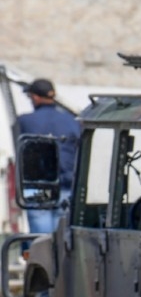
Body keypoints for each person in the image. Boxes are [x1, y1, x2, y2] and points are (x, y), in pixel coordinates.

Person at [15, 78, 81, 233]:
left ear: (36, 97)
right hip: (67, 186)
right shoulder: (73, 121)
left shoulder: (25, 121)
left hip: (38, 188)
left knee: (41, 242)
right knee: (63, 242)